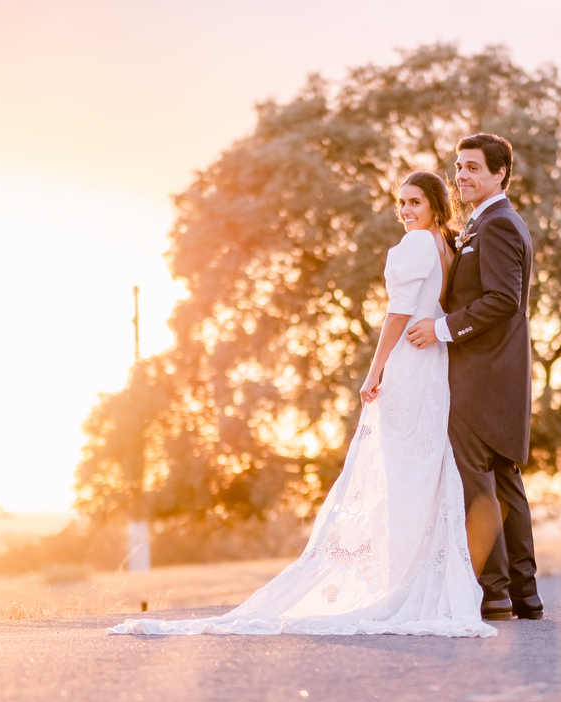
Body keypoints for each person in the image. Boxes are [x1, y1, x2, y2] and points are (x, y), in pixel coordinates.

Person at [109, 171, 496, 638]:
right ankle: (414, 581)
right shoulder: (444, 245)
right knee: (419, 475)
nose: (406, 211)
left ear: (436, 203)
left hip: (410, 364)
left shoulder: (416, 245)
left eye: (415, 202)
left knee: (400, 478)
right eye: (400, 203)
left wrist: (376, 369)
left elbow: (398, 313)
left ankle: (401, 584)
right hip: (434, 368)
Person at [406, 133, 542, 622]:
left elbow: (504, 300)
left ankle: (495, 594)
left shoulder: (500, 225)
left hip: (482, 374)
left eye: (473, 168)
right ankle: (525, 596)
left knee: (476, 481)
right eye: (458, 167)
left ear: (500, 173)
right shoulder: (486, 223)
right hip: (499, 374)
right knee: (505, 481)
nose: (462, 176)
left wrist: (442, 328)